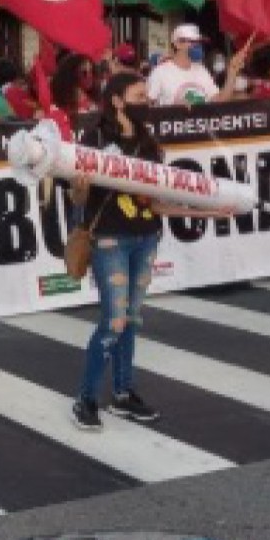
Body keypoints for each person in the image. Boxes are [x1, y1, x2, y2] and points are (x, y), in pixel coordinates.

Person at [71, 73, 222, 430]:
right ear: (118, 101)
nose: (147, 103)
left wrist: (208, 211)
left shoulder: (151, 144)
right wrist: (79, 187)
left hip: (146, 238)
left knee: (131, 320)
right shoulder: (94, 138)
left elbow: (156, 204)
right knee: (113, 320)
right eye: (139, 96)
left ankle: (123, 393)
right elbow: (77, 198)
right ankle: (86, 398)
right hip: (109, 239)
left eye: (147, 97)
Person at [147, 24, 218, 107]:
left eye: (199, 42)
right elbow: (148, 104)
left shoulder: (202, 70)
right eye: (192, 42)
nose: (197, 46)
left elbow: (217, 99)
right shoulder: (159, 72)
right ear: (178, 44)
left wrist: (232, 73)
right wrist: (177, 109)